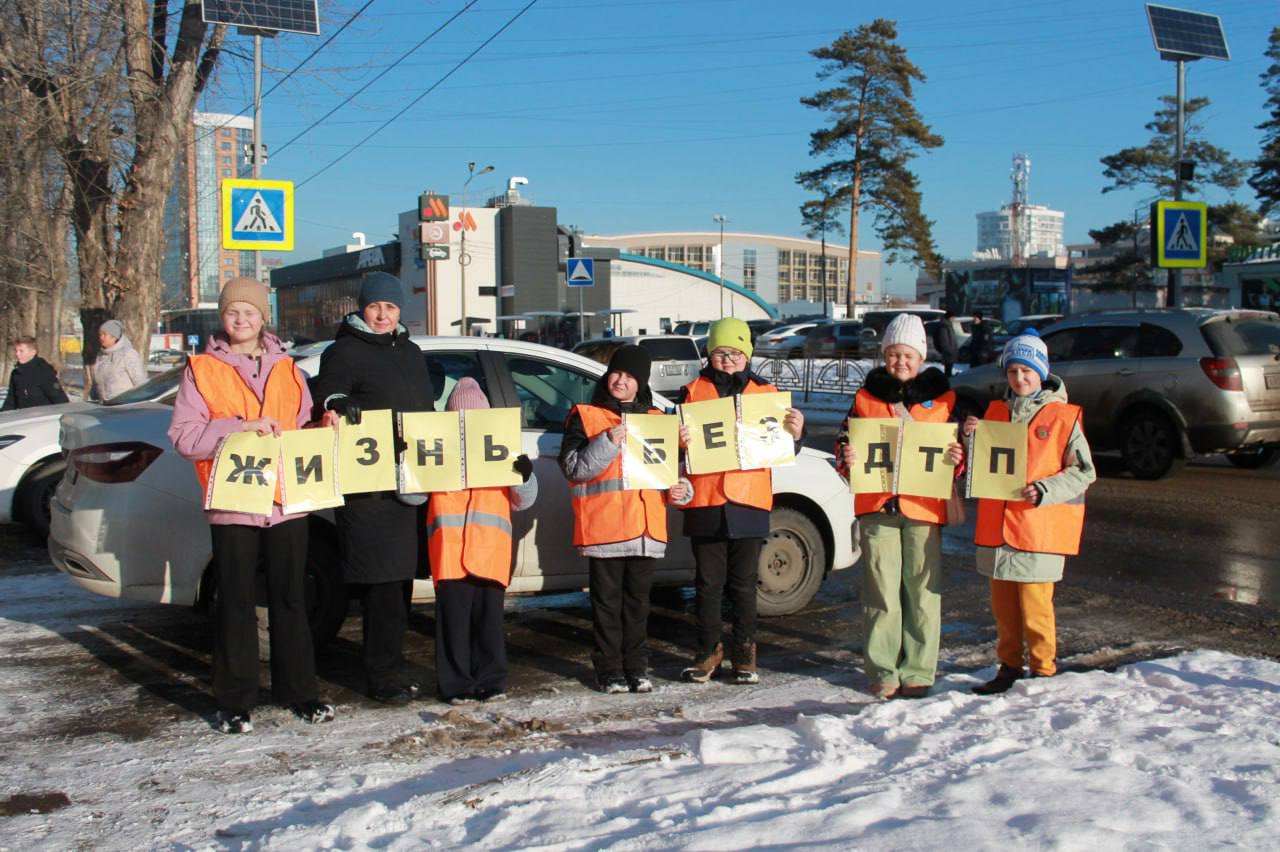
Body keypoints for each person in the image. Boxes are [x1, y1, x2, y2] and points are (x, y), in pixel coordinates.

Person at [167, 277, 334, 734]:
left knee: (290, 599)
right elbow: (185, 437)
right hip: (234, 499)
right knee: (235, 602)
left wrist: (325, 422)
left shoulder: (290, 368)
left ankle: (301, 693)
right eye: (232, 313)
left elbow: (299, 427)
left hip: (286, 501)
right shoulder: (201, 369)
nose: (241, 320)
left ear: (264, 318)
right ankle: (234, 701)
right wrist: (239, 428)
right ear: (222, 318)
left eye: (250, 313)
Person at [312, 272, 435, 706]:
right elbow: (325, 397)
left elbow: (427, 411)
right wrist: (336, 405)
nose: (382, 315)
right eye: (374, 307)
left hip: (409, 488)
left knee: (398, 587)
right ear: (361, 308)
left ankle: (392, 666)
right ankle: (381, 674)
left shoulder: (412, 352)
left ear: (401, 311)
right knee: (381, 589)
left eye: (391, 308)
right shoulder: (344, 351)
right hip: (370, 492)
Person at [835, 313, 961, 700]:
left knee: (923, 592)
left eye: (907, 354)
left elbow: (961, 456)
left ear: (921, 356)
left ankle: (919, 669)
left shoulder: (944, 400)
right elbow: (843, 444)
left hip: (923, 508)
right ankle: (883, 670)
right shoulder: (865, 397)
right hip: (877, 507)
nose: (900, 362)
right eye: (892, 354)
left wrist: (960, 456)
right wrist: (847, 455)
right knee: (881, 593)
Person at [963, 330, 1095, 695]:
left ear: (1042, 373)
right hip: (997, 531)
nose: (1019, 379)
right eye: (1012, 371)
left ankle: (1043, 670)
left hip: (1038, 530)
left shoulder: (1063, 417)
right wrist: (971, 437)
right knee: (1004, 610)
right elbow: (980, 468)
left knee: (1036, 608)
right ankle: (1008, 667)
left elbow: (1084, 472)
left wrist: (1044, 490)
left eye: (1027, 371)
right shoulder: (995, 412)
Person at [677, 318, 805, 685]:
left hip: (749, 501)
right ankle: (707, 651)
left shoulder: (767, 392)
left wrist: (797, 432)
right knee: (707, 584)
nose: (727, 359)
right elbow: (674, 445)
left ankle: (744, 652)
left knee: (744, 584)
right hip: (705, 500)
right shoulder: (691, 391)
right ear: (709, 355)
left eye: (734, 353)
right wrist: (679, 438)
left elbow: (784, 446)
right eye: (719, 353)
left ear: (746, 355)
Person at [559, 345, 693, 694]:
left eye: (630, 377)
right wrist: (608, 440)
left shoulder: (657, 419)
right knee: (606, 605)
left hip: (646, 528)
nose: (621, 381)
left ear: (641, 383)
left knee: (637, 605)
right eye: (617, 373)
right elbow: (575, 470)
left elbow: (668, 476)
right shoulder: (585, 416)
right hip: (604, 528)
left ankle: (637, 668)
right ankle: (609, 670)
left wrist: (680, 489)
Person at [428, 378, 537, 705]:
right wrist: (408, 463)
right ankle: (455, 685)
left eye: (474, 417)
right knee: (453, 625)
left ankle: (491, 681)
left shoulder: (503, 451)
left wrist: (525, 474)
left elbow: (525, 500)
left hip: (489, 552)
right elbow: (413, 496)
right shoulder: (437, 451)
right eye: (461, 418)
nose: (468, 425)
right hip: (450, 554)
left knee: (488, 623)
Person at [2, 336, 69, 410]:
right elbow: (11, 401)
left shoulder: (43, 372)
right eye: (16, 351)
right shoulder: (16, 374)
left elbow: (60, 401)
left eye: (21, 351)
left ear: (33, 352)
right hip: (23, 418)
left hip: (43, 419)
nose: (17, 354)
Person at [93, 319, 146, 401]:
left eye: (104, 334)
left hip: (126, 406)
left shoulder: (128, 354)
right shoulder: (100, 356)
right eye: (100, 334)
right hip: (105, 407)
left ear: (114, 337)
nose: (101, 337)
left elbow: (140, 382)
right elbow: (96, 383)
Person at [933, 311, 958, 377]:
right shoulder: (944, 327)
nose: (954, 319)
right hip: (948, 353)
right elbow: (944, 341)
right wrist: (950, 351)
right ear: (949, 317)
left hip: (950, 352)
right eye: (953, 317)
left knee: (949, 370)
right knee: (948, 371)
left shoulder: (948, 325)